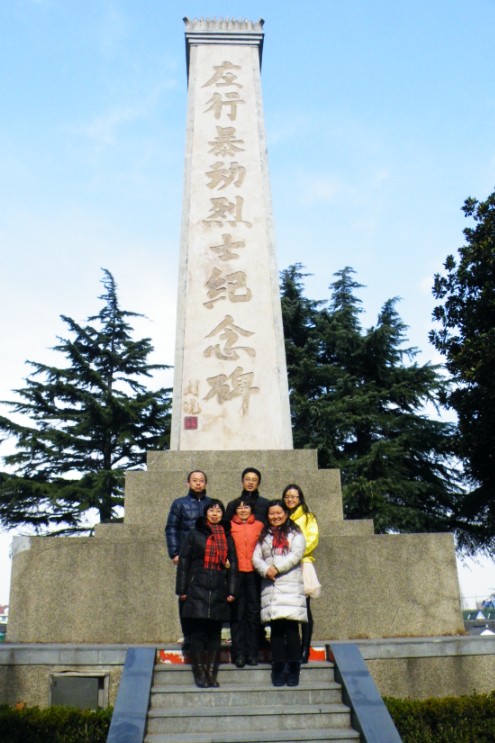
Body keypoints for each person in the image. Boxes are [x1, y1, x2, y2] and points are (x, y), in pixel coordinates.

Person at [176, 499, 239, 688]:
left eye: (218, 510)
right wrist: (182, 589)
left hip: (219, 587)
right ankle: (200, 673)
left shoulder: (227, 537)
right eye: (211, 510)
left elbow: (233, 566)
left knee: (214, 634)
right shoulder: (194, 534)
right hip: (197, 587)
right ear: (205, 513)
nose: (215, 514)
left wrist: (232, 590)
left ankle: (211, 673)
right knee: (197, 633)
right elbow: (184, 563)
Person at [252, 499, 307, 687]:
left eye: (279, 513)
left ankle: (293, 669)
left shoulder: (295, 534)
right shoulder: (264, 536)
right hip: (271, 587)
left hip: (290, 585)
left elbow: (296, 555)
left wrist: (276, 567)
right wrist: (265, 570)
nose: (275, 516)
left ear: (285, 514)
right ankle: (279, 668)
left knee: (291, 630)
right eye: (272, 513)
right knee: (275, 631)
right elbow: (256, 557)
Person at [165, 470, 212, 654]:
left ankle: (205, 636)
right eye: (195, 480)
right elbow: (171, 528)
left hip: (208, 558)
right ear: (188, 483)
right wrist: (175, 553)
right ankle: (189, 636)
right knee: (185, 597)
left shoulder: (212, 504)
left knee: (208, 596)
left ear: (206, 483)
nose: (198, 483)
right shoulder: (179, 504)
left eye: (201, 480)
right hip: (187, 558)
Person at [283, 483, 320, 663]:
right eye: (287, 496)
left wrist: (295, 554)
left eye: (294, 496)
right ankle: (292, 647)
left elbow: (312, 539)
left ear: (300, 498)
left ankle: (305, 648)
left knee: (304, 607)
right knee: (287, 608)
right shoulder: (280, 515)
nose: (290, 499)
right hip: (283, 565)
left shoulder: (308, 517)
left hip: (302, 563)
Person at [229, 497, 264, 668]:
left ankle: (252, 653)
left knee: (253, 614)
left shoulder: (259, 526)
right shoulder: (229, 526)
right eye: (240, 507)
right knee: (237, 615)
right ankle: (239, 654)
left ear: (252, 509)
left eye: (246, 507)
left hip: (254, 574)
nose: (243, 510)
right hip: (236, 574)